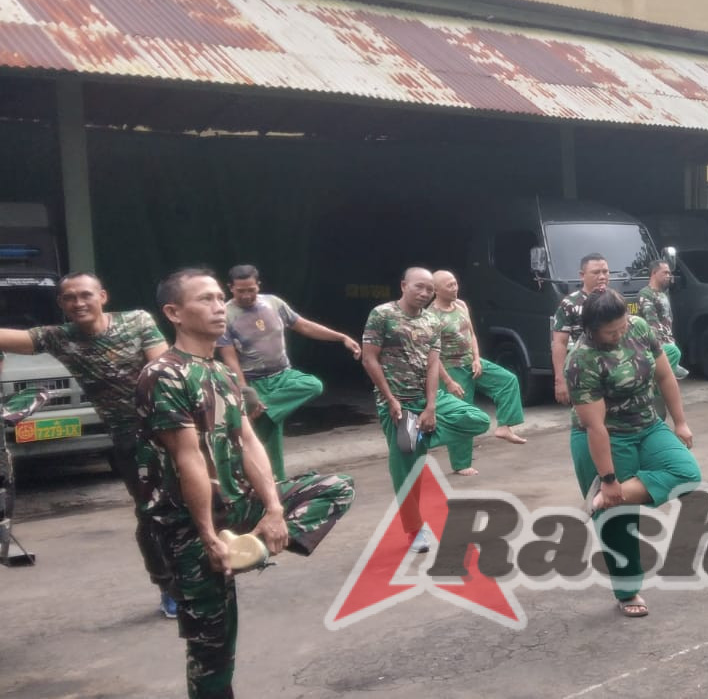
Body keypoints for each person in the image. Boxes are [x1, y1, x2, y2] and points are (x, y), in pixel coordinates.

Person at [136, 268, 354, 699]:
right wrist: (207, 535)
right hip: (188, 527)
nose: (219, 307)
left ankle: (252, 547)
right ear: (173, 312)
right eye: (206, 299)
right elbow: (188, 459)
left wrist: (273, 509)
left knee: (335, 485)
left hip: (239, 507)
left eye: (220, 298)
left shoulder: (219, 372)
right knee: (213, 649)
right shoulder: (163, 374)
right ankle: (231, 552)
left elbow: (249, 442)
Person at [0, 272, 174, 616]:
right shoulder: (58, 338)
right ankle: (167, 585)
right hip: (128, 441)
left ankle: (203, 574)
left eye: (85, 295)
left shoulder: (137, 321)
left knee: (198, 504)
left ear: (102, 296)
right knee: (150, 514)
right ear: (61, 304)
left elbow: (162, 368)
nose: (79, 303)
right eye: (69, 298)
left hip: (170, 428)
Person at [569, 289, 701, 618]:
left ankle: (603, 497)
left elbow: (665, 374)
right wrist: (610, 478)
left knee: (687, 474)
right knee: (619, 520)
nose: (620, 333)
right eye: (611, 331)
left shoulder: (640, 327)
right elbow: (595, 427)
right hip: (606, 435)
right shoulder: (581, 359)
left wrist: (680, 422)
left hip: (647, 423)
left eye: (622, 325)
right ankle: (628, 591)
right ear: (592, 329)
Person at [360, 268, 491, 553]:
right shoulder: (382, 315)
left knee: (477, 419)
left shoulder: (432, 319)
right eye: (419, 287)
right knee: (408, 472)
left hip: (427, 399)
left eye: (429, 290)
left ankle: (421, 435)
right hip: (399, 404)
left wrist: (431, 405)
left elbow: (433, 364)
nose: (424, 293)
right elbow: (370, 358)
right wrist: (391, 399)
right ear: (404, 285)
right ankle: (415, 530)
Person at [216, 265, 360, 482]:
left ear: (258, 286)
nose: (247, 295)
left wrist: (341, 337)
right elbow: (229, 357)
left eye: (251, 289)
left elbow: (304, 326)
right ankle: (271, 484)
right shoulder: (225, 315)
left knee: (313, 385)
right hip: (254, 382)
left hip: (283, 376)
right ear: (230, 288)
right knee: (269, 440)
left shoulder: (274, 303)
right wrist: (246, 392)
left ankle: (261, 419)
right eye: (240, 291)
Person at [429, 270, 528, 477]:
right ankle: (461, 463)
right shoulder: (431, 316)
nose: (455, 288)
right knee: (464, 414)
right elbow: (432, 355)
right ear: (436, 290)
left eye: (455, 283)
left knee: (508, 381)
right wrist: (447, 381)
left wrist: (476, 358)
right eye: (449, 285)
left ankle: (504, 427)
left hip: (471, 362)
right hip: (450, 368)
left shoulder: (461, 305)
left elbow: (471, 334)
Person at [552, 253, 612, 405]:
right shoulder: (570, 303)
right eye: (596, 272)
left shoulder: (614, 299)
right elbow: (559, 343)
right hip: (585, 373)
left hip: (615, 370)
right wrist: (560, 380)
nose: (602, 276)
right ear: (582, 275)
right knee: (588, 422)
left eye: (605, 271)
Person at [634, 259, 689, 379]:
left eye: (669, 273)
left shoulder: (663, 294)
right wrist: (663, 347)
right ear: (654, 273)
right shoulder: (645, 294)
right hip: (657, 346)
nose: (668, 276)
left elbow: (667, 320)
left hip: (668, 342)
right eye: (665, 272)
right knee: (662, 380)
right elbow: (651, 324)